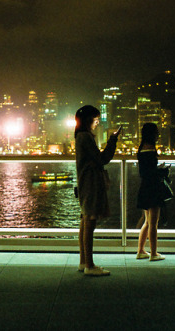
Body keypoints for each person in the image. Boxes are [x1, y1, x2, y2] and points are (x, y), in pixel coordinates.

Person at [75, 105, 120, 276]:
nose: (97, 123)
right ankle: (90, 265)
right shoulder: (85, 137)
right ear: (88, 120)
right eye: (95, 120)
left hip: (85, 183)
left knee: (85, 221)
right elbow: (102, 159)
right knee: (90, 223)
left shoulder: (80, 136)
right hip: (91, 184)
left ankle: (83, 262)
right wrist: (112, 141)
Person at [136, 123, 170, 261]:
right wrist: (163, 170)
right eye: (156, 133)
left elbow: (145, 171)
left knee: (147, 221)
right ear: (152, 134)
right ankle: (154, 253)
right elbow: (151, 171)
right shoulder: (150, 149)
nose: (158, 135)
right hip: (153, 188)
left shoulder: (141, 148)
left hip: (145, 187)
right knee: (153, 223)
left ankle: (141, 250)